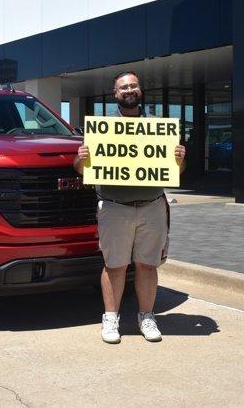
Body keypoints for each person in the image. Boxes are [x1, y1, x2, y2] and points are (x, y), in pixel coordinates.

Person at [74, 71, 186, 344]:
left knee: (148, 265)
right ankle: (111, 318)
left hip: (152, 206)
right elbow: (81, 171)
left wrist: (179, 159)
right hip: (114, 207)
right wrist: (81, 159)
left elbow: (177, 172)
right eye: (123, 87)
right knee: (115, 266)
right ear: (115, 94)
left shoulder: (158, 129)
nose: (129, 90)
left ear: (140, 91)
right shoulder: (103, 129)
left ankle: (147, 316)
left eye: (133, 86)